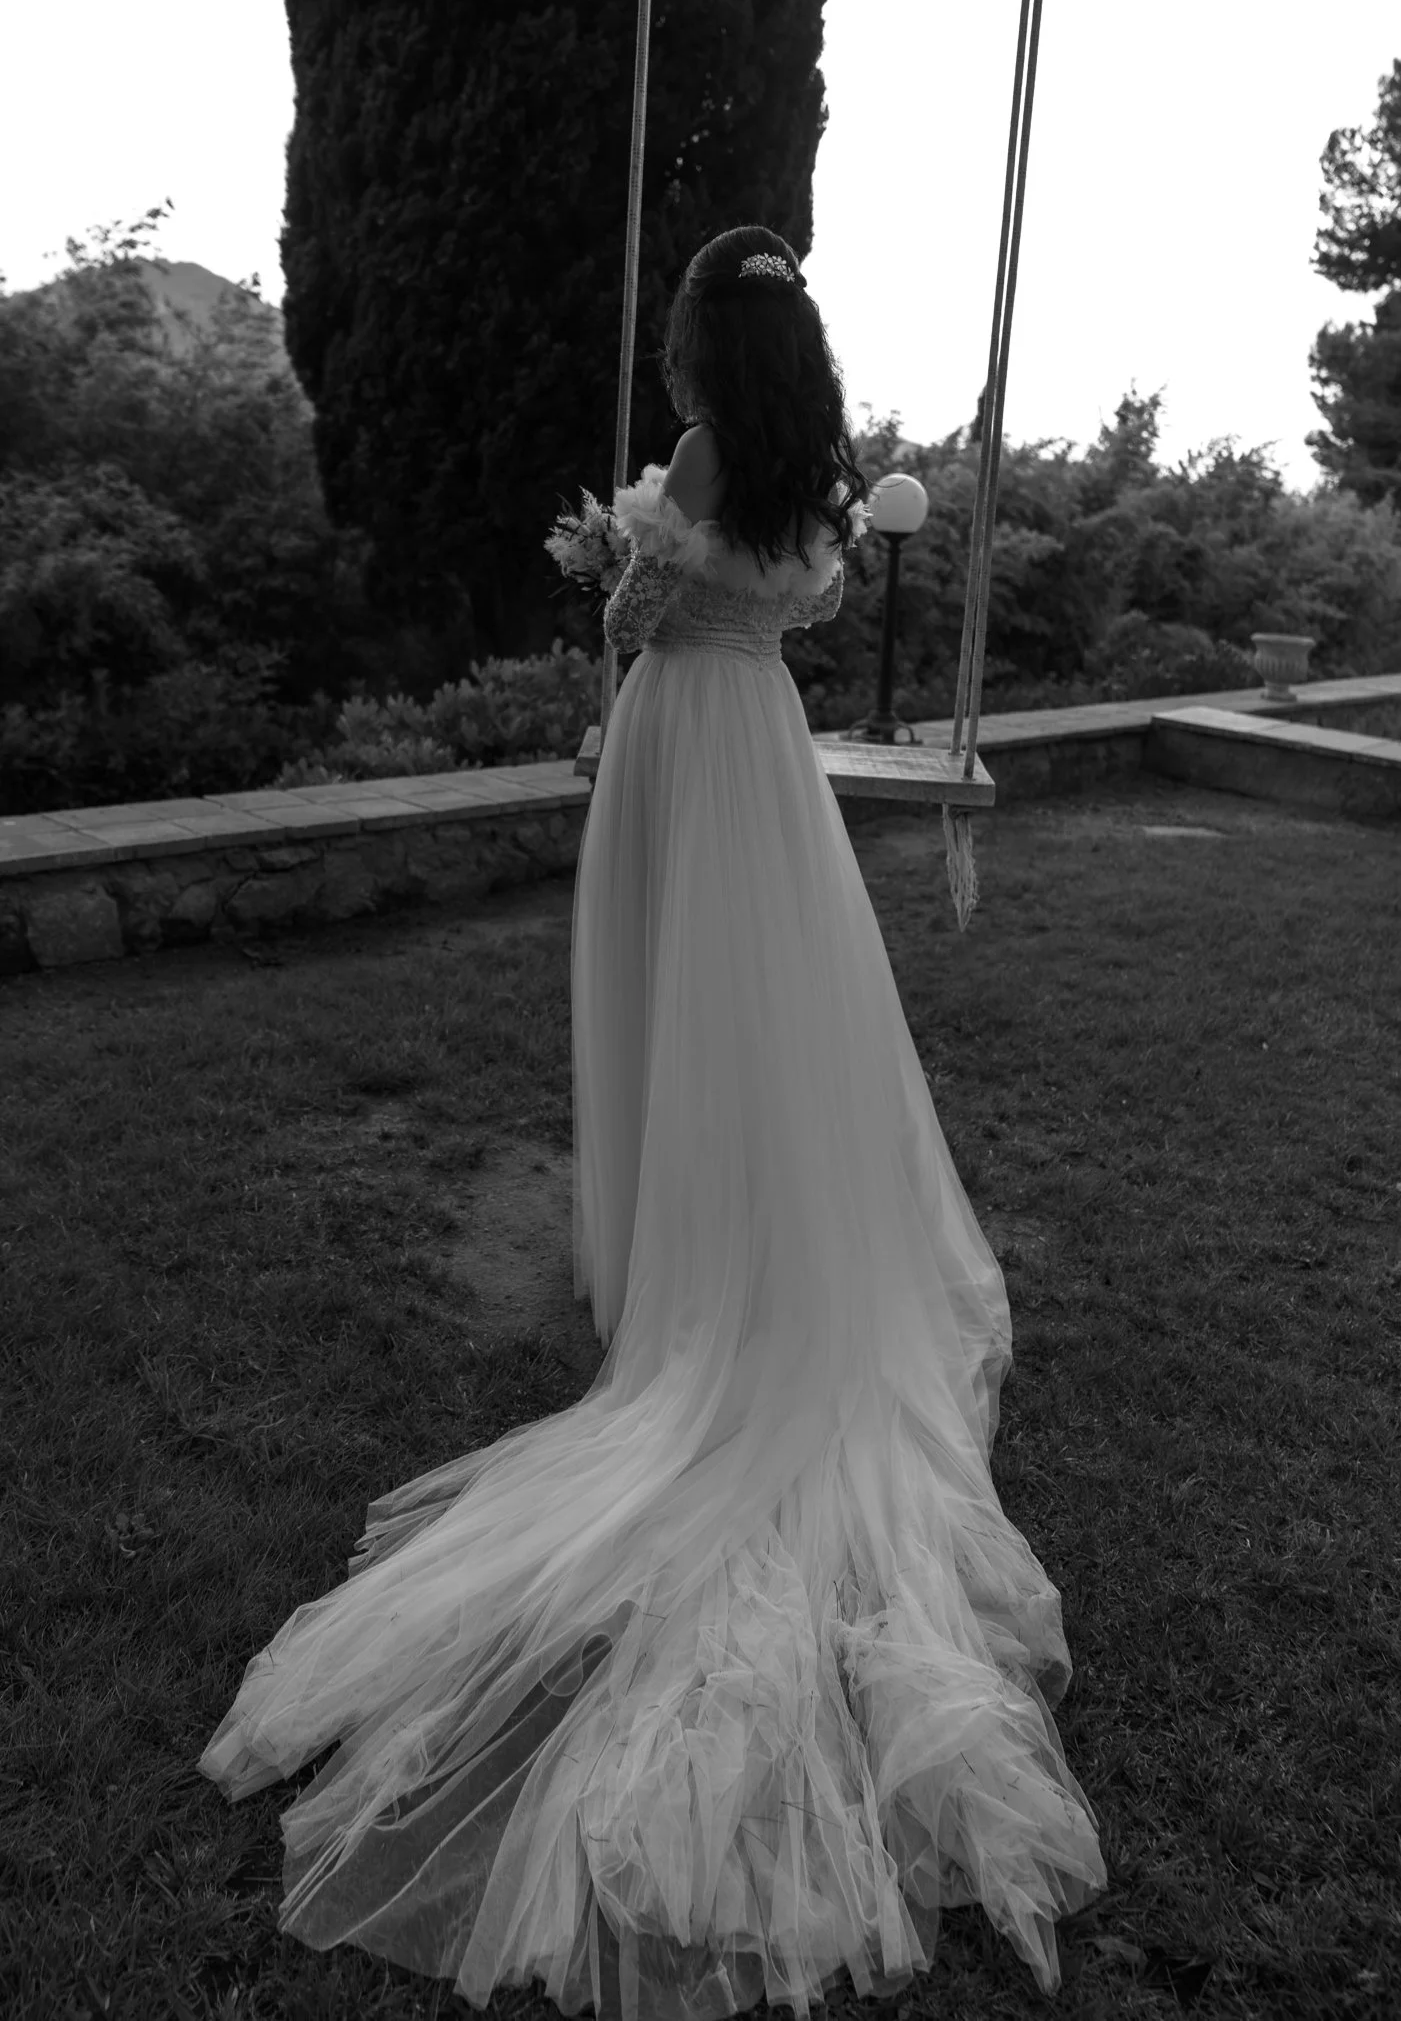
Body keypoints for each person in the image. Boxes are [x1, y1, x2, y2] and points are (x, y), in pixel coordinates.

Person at [198, 225, 1107, 2019]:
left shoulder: (694, 464)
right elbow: (792, 606)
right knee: (778, 1028)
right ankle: (771, 1253)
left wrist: (617, 566)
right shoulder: (810, 476)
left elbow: (638, 620)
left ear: (700, 347)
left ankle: (700, 1295)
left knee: (679, 1011)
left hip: (685, 749)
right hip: (760, 752)